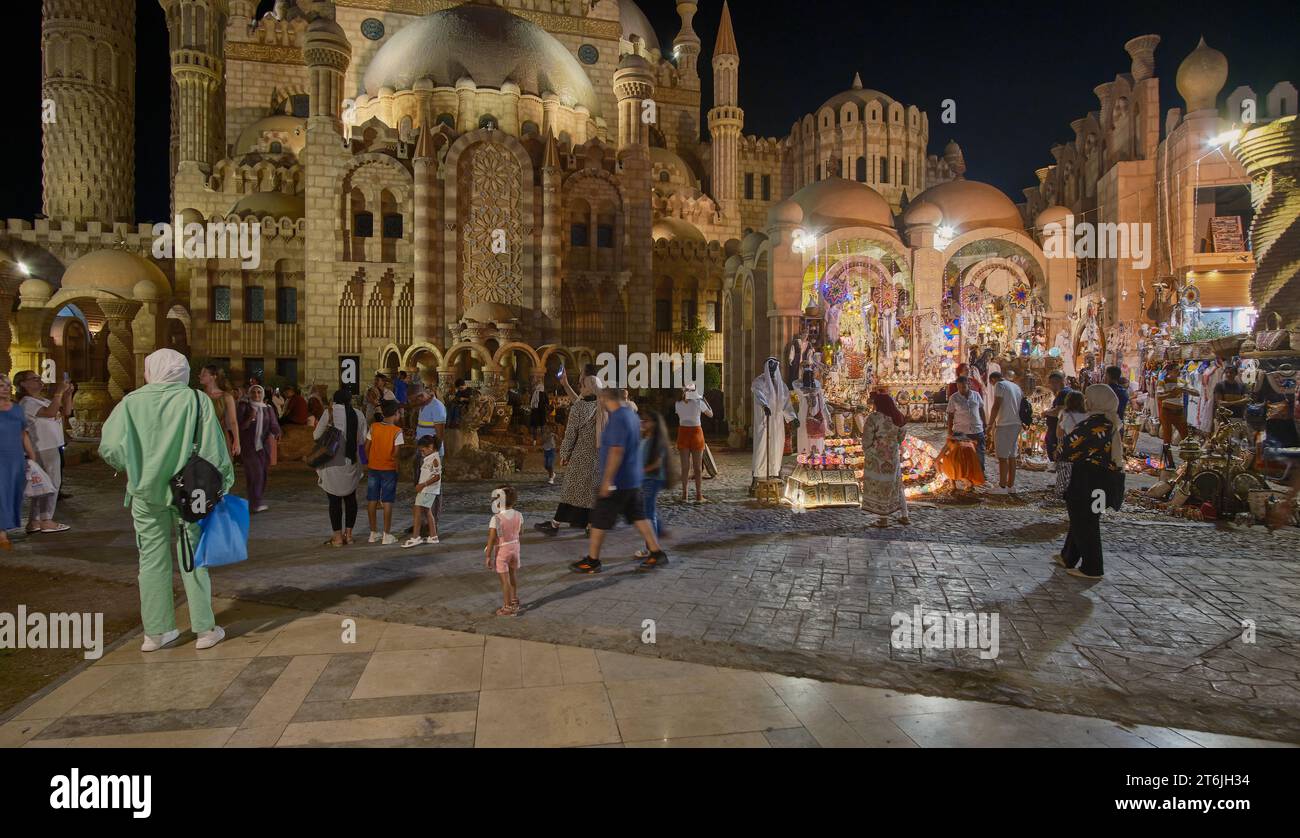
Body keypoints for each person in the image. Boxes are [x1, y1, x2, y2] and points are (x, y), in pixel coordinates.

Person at [99, 348, 234, 651]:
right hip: (189, 493)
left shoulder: (131, 402)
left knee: (150, 560)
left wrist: (132, 466)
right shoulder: (195, 400)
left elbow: (109, 447)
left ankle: (156, 632)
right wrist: (223, 484)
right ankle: (204, 629)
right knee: (193, 559)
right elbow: (214, 451)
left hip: (145, 493)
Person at [570, 387, 668, 573]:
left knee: (599, 519)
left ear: (607, 399)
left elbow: (616, 451)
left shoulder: (617, 419)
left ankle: (592, 560)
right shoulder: (631, 415)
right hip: (632, 478)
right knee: (639, 517)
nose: (600, 402)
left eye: (601, 399)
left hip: (618, 481)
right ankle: (656, 553)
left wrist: (607, 481)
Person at [1054, 384, 1124, 580]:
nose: (1086, 401)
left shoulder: (1094, 424)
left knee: (1084, 520)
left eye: (1088, 398)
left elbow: (1067, 447)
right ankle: (1068, 556)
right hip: (1104, 479)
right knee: (1087, 518)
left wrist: (1059, 452)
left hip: (1087, 478)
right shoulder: (1112, 422)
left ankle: (1092, 567)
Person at [535, 372, 600, 535]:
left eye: (582, 385)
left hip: (581, 455)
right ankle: (590, 527)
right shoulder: (602, 404)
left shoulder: (579, 407)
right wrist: (565, 384)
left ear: (589, 388)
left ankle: (554, 525)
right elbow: (577, 399)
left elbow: (571, 434)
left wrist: (564, 454)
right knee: (591, 492)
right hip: (599, 456)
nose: (580, 387)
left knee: (569, 491)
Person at [13, 370, 73, 533]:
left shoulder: (43, 400)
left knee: (42, 485)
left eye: (39, 378)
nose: (39, 381)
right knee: (52, 483)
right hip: (43, 447)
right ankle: (47, 520)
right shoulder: (27, 402)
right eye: (34, 379)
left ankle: (35, 521)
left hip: (52, 445)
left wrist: (67, 395)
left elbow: (66, 412)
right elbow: (50, 413)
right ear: (23, 384)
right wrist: (59, 392)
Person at [315, 388, 367, 547]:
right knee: (351, 499)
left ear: (335, 399)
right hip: (350, 462)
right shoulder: (358, 414)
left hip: (332, 462)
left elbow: (316, 436)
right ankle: (349, 535)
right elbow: (363, 440)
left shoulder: (329, 413)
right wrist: (364, 461)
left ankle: (337, 538)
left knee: (334, 500)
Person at [0, 374, 39, 551]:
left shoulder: (16, 409)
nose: (5, 388)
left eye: (7, 385)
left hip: (15, 458)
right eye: (1, 386)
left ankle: (6, 527)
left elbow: (23, 433)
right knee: (1, 494)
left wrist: (31, 454)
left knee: (13, 494)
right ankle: (2, 534)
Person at [860, 390, 910, 527]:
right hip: (893, 456)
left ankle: (883, 519)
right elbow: (901, 437)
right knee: (896, 484)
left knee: (880, 485)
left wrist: (868, 450)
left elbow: (867, 438)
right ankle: (904, 515)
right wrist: (894, 445)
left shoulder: (874, 418)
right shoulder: (898, 417)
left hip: (877, 457)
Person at [751, 357, 796, 493]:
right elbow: (759, 396)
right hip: (764, 422)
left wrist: (792, 418)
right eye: (769, 368)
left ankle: (774, 473)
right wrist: (765, 406)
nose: (771, 372)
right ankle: (757, 477)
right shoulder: (759, 382)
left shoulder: (781, 385)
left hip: (776, 423)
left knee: (776, 448)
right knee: (761, 449)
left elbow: (786, 404)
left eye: (774, 368)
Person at [237, 385, 281, 513]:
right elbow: (240, 427)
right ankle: (255, 503)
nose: (256, 394)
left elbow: (273, 424)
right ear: (249, 394)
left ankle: (254, 501)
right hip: (248, 447)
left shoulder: (268, 409)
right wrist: (250, 418)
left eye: (259, 392)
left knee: (262, 475)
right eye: (254, 392)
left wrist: (277, 432)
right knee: (256, 474)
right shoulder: (244, 407)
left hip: (263, 448)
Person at [365, 400, 403, 544]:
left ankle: (373, 533)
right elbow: (396, 453)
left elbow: (366, 446)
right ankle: (387, 534)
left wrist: (368, 461)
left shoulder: (374, 427)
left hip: (373, 468)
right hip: (389, 469)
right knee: (387, 501)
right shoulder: (397, 431)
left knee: (372, 499)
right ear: (395, 414)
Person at [635, 408, 671, 559]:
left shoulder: (658, 441)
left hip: (652, 479)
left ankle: (651, 548)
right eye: (642, 420)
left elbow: (657, 463)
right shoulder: (645, 438)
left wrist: (642, 471)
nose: (643, 422)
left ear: (655, 424)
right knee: (648, 512)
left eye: (646, 420)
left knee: (648, 514)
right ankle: (654, 539)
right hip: (645, 479)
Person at [484, 485, 523, 616]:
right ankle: (514, 599)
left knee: (504, 580)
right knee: (513, 576)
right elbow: (520, 532)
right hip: (515, 548)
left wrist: (488, 556)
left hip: (503, 551)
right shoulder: (519, 515)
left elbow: (491, 539)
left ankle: (507, 607)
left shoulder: (496, 519)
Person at [987, 370, 1025, 495]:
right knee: (1011, 455)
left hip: (1005, 423)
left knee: (1002, 457)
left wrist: (990, 423)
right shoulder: (1015, 386)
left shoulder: (1000, 385)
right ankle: (1011, 485)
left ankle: (1002, 486)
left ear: (993, 380)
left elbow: (996, 405)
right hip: (1016, 423)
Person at [674, 385, 713, 502]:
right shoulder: (698, 403)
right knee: (697, 467)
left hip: (683, 432)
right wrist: (703, 399)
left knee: (684, 467)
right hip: (696, 432)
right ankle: (698, 495)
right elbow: (711, 414)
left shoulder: (678, 404)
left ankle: (684, 495)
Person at [404, 434, 442, 548]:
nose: (421, 453)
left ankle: (416, 537)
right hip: (426, 489)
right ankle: (433, 536)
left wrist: (422, 485)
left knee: (417, 511)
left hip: (427, 489)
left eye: (423, 450)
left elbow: (437, 476)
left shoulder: (435, 459)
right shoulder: (430, 457)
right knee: (427, 512)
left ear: (430, 447)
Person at [945, 373, 986, 472]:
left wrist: (985, 424)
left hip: (977, 430)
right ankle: (965, 475)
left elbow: (981, 409)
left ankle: (980, 472)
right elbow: (950, 415)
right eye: (959, 387)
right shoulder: (954, 398)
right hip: (961, 431)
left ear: (968, 385)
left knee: (979, 453)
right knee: (962, 455)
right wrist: (950, 431)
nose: (961, 390)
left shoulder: (976, 395)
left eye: (963, 387)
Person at [1053, 389, 1089, 500]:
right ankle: (1077, 492)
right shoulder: (1088, 415)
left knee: (1064, 470)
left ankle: (1061, 493)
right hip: (1083, 448)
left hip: (1068, 447)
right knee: (1080, 472)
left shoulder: (1064, 414)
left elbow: (1059, 433)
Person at [200, 364, 240, 457]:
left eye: (204, 374)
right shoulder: (200, 395)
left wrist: (236, 441)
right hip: (202, 435)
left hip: (219, 435)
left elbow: (233, 421)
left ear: (213, 377)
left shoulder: (226, 397)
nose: (200, 376)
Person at [1041, 371, 1071, 471]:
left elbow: (1058, 411)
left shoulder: (1063, 393)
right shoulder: (1066, 392)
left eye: (1051, 383)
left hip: (1056, 429)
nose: (1050, 386)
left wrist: (1045, 413)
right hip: (1057, 428)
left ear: (1056, 382)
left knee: (1054, 452)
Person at [528, 378, 548, 444]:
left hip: (535, 412)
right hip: (542, 413)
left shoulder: (534, 394)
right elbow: (547, 403)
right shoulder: (544, 394)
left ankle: (534, 440)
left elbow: (530, 403)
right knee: (542, 427)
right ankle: (544, 440)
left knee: (535, 427)